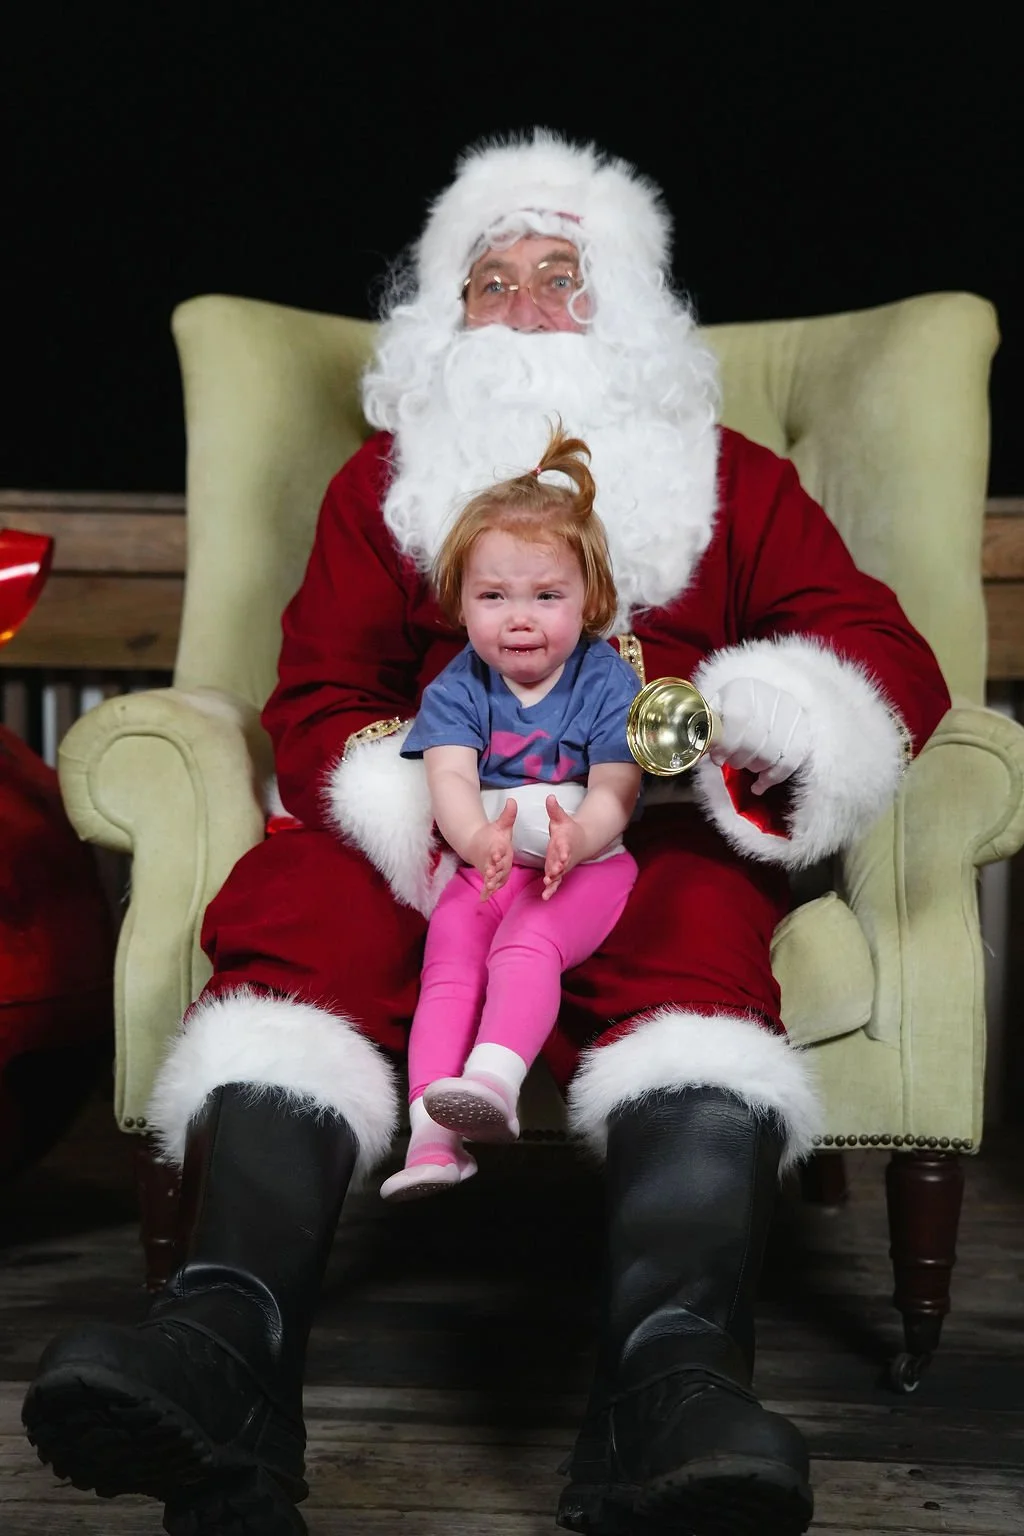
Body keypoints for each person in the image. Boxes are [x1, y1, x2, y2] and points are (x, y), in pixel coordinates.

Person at [22, 129, 952, 1536]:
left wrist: (724, 718)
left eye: (559, 276)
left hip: (655, 834)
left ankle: (671, 1378)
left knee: (699, 929)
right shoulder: (381, 489)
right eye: (488, 278)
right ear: (442, 317)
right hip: (427, 830)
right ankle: (226, 1354)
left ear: (624, 310)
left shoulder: (737, 481)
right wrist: (443, 803)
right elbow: (323, 697)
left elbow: (877, 650)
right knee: (304, 903)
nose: (519, 305)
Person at [380, 425, 642, 1202]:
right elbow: (452, 779)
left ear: (590, 601)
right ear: (460, 605)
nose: (518, 618)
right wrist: (475, 840)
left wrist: (580, 835)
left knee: (525, 945)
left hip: (583, 868)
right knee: (449, 962)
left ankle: (494, 1078)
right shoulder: (458, 689)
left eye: (545, 596)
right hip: (489, 861)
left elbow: (615, 790)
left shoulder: (604, 681)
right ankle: (431, 1136)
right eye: (493, 597)